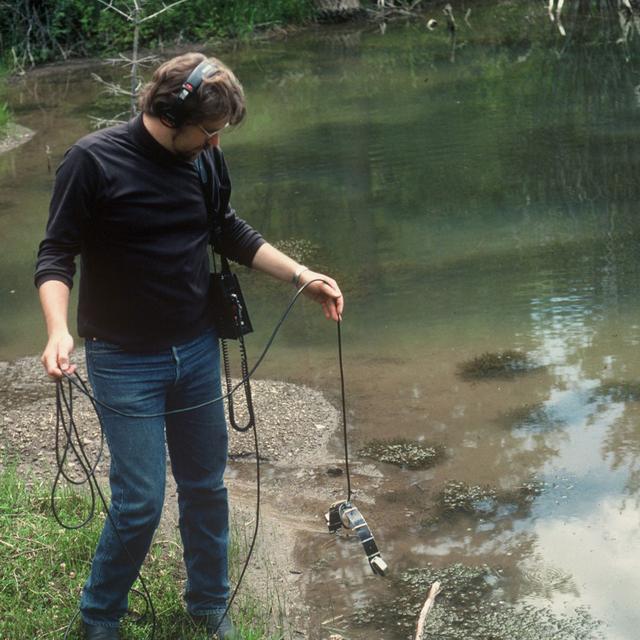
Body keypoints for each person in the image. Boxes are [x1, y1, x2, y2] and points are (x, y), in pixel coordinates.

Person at [34, 52, 343, 640]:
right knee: (141, 501)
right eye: (209, 130)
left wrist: (302, 276)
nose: (215, 141)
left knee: (206, 486)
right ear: (171, 114)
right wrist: (57, 328)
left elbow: (226, 228)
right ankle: (99, 616)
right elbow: (55, 254)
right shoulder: (91, 161)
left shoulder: (203, 160)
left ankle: (207, 604)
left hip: (197, 351)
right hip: (123, 359)